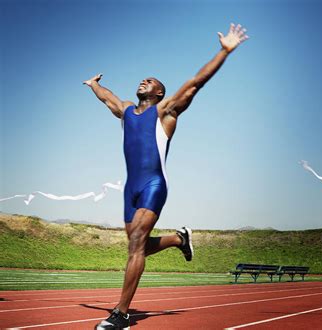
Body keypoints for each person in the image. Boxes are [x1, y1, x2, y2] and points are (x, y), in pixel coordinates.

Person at [83, 23, 248, 329]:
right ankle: (178, 238)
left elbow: (196, 82)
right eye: (142, 79)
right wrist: (93, 84)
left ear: (159, 93)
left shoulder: (166, 112)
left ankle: (121, 314)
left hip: (152, 185)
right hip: (130, 188)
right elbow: (108, 97)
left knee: (135, 245)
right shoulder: (127, 110)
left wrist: (224, 51)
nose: (145, 80)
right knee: (140, 246)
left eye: (152, 81)